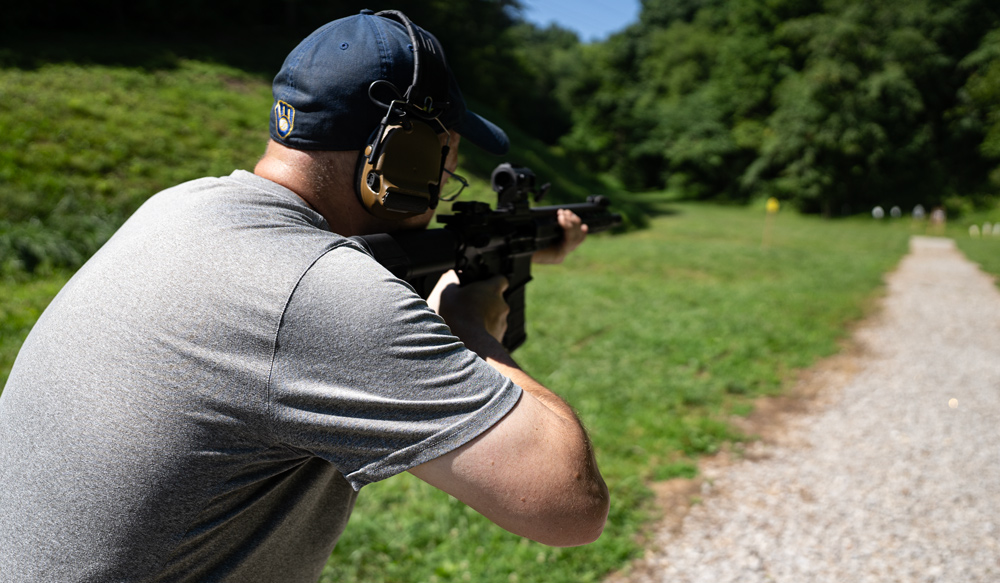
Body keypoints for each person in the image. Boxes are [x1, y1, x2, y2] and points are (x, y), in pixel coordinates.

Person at [0, 9, 609, 583]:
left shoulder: (178, 207)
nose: (446, 182)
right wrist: (471, 324)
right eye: (447, 159)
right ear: (406, 152)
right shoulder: (316, 290)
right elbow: (568, 507)